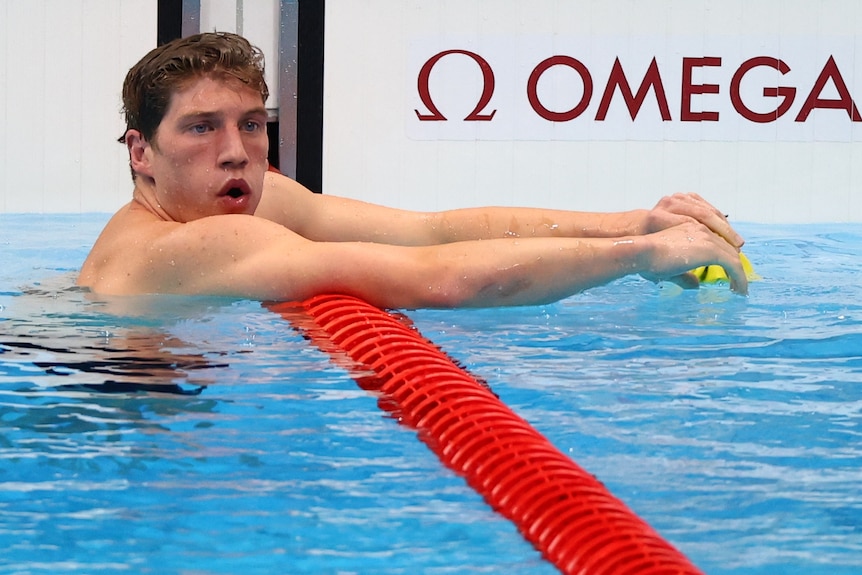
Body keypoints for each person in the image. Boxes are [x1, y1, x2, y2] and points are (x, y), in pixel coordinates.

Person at [77, 32, 748, 308]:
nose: (236, 150)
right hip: (103, 417)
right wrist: (643, 255)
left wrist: (634, 221)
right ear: (141, 153)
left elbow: (430, 233)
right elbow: (441, 280)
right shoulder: (199, 242)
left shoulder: (235, 205)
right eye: (201, 127)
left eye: (251, 123)